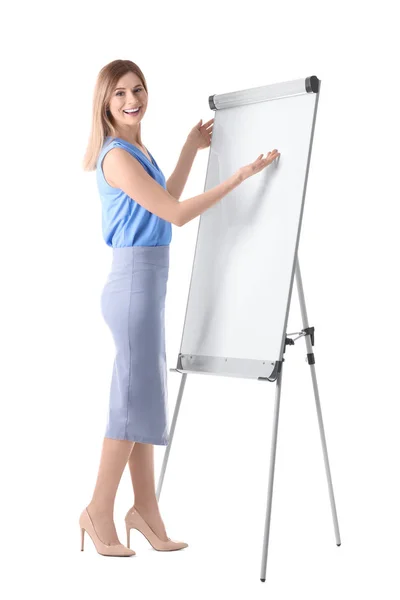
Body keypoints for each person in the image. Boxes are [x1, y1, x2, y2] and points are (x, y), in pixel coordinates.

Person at [79, 59, 280, 557]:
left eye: (139, 89)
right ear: (105, 102)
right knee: (129, 403)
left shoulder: (137, 149)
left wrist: (190, 149)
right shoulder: (118, 156)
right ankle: (97, 512)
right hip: (132, 285)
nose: (132, 99)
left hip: (147, 282)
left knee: (143, 398)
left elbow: (164, 197)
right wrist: (237, 178)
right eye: (121, 92)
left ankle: (144, 509)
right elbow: (174, 214)